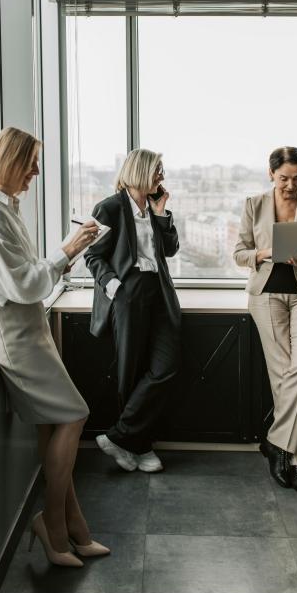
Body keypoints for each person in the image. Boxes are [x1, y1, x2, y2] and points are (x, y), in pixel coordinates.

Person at [0, 127, 110, 567]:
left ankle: (73, 526)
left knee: (54, 425)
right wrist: (68, 250)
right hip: (12, 334)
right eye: (30, 162)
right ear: (9, 161)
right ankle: (52, 525)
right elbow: (27, 284)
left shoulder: (5, 209)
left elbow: (27, 277)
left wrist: (62, 255)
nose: (35, 171)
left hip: (28, 329)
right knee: (74, 413)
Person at [233, 146, 297, 496]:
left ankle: (276, 442)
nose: (291, 185)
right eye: (284, 178)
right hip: (267, 296)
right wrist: (263, 253)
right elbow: (239, 253)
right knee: (282, 377)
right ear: (271, 174)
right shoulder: (253, 205)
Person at [85, 149, 181, 473]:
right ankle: (139, 447)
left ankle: (120, 438)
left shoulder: (154, 208)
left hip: (158, 294)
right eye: (158, 172)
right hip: (128, 294)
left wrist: (162, 213)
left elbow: (169, 250)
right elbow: (93, 256)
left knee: (165, 367)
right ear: (140, 172)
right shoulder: (110, 207)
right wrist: (115, 287)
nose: (161, 178)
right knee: (131, 372)